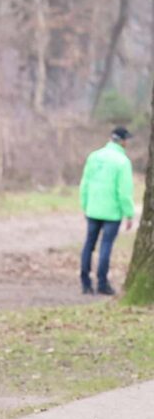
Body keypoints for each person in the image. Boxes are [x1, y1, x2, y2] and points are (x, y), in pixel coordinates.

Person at [79, 126, 135, 296]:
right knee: (106, 246)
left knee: (89, 244)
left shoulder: (94, 156)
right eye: (127, 140)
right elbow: (124, 192)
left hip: (93, 209)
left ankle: (85, 282)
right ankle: (102, 283)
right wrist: (129, 213)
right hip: (112, 213)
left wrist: (85, 205)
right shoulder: (122, 162)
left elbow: (85, 184)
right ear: (123, 141)